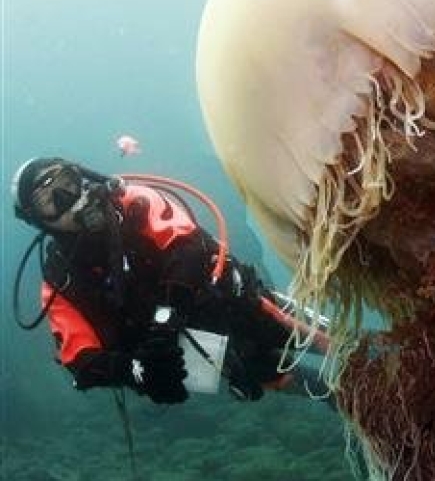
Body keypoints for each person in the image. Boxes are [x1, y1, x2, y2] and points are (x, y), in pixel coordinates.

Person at [10, 156, 326, 405]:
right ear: (37, 219)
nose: (69, 198)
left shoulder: (133, 202)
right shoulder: (59, 280)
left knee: (339, 344)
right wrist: (136, 370)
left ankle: (367, 351)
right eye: (51, 200)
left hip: (235, 300)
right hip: (198, 352)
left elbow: (186, 246)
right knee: (302, 384)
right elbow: (78, 359)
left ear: (81, 177)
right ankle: (350, 405)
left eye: (67, 182)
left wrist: (164, 320)